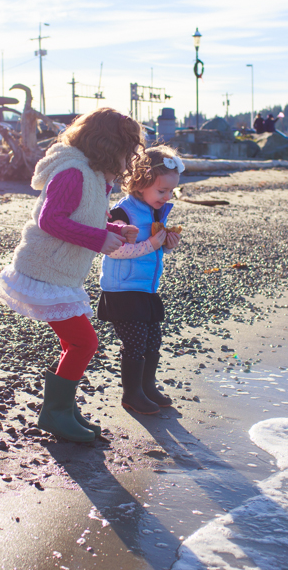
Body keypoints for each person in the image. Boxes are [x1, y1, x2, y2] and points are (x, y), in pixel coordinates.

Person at [0, 108, 142, 442]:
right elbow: (51, 220)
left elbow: (82, 218)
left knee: (72, 342)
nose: (127, 158)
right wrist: (100, 238)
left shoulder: (92, 174)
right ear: (108, 144)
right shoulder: (73, 172)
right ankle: (55, 413)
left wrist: (114, 228)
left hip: (60, 273)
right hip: (42, 270)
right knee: (84, 342)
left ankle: (64, 408)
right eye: (126, 150)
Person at [98, 146, 183, 414]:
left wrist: (167, 244)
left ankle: (148, 386)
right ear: (141, 182)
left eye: (171, 191)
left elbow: (154, 248)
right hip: (122, 289)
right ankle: (131, 394)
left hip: (146, 287)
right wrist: (150, 244)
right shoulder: (124, 212)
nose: (167, 196)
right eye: (162, 191)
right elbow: (115, 249)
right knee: (135, 342)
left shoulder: (156, 211)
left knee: (153, 340)